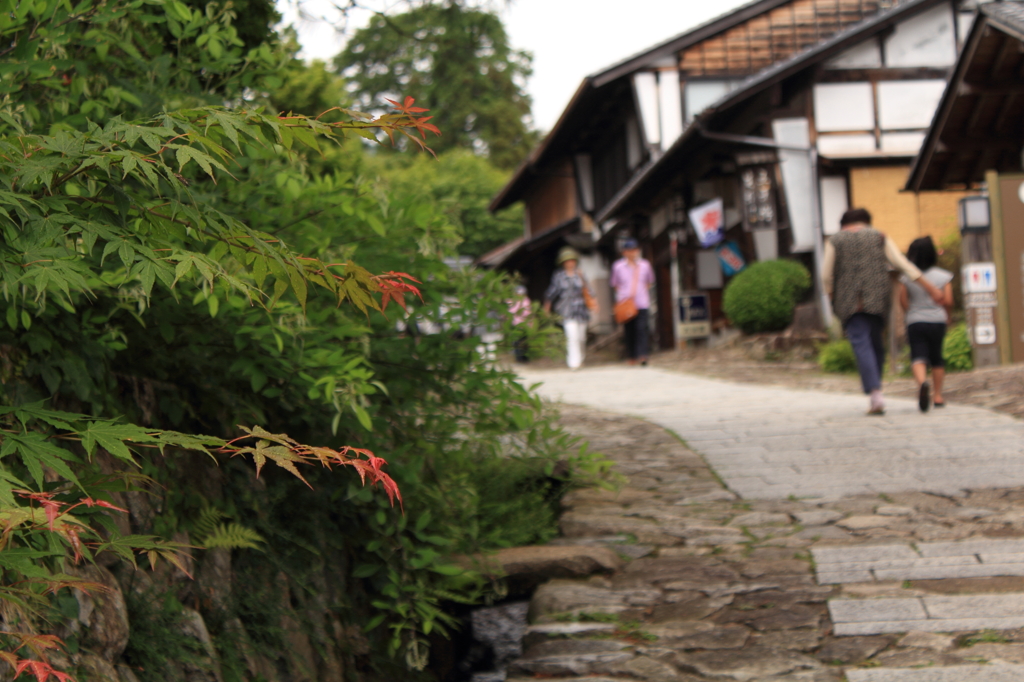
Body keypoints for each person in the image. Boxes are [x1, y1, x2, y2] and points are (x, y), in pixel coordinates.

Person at [822, 208, 945, 415]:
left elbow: (826, 275)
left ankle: (875, 393)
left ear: (844, 225)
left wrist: (831, 296)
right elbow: (901, 263)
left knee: (861, 343)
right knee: (876, 344)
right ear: (866, 223)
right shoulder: (879, 236)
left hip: (849, 301)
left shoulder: (835, 240)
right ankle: (876, 389)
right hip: (877, 298)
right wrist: (931, 288)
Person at [899, 236, 954, 412]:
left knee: (918, 356)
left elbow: (903, 301)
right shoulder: (943, 276)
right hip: (937, 320)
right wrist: (947, 316)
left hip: (915, 320)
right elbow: (948, 301)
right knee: (937, 357)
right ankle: (938, 396)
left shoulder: (907, 277)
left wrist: (912, 312)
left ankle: (923, 384)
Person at [543, 246, 593, 370]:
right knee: (572, 336)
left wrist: (594, 303)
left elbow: (589, 291)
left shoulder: (580, 274)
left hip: (581, 310)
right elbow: (551, 292)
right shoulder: (558, 276)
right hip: (566, 311)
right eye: (567, 261)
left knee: (581, 338)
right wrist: (547, 307)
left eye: (572, 260)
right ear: (563, 262)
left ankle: (580, 359)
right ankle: (573, 363)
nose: (570, 263)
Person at [610, 238, 655, 365]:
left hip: (642, 303)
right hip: (625, 304)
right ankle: (632, 356)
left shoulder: (645, 265)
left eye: (635, 250)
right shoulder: (618, 266)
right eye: (630, 250)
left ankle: (643, 355)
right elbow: (615, 284)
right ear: (624, 252)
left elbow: (649, 282)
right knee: (629, 331)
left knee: (642, 329)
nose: (633, 253)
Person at [508, 284, 532, 363]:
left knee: (524, 342)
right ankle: (518, 358)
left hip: (525, 325)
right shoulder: (511, 300)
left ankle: (525, 357)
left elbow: (529, 312)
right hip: (515, 324)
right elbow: (509, 312)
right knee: (516, 342)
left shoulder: (526, 300)